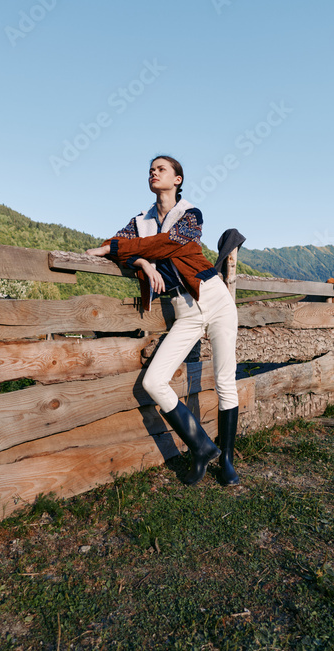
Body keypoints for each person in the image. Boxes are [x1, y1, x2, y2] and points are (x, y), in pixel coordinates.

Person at [86, 155, 240, 486]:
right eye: (151, 170)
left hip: (214, 298)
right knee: (154, 381)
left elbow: (168, 243)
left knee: (226, 380)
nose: (154, 173)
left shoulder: (191, 215)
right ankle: (201, 446)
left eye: (162, 169)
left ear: (178, 180)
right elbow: (112, 245)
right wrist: (143, 262)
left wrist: (123, 248)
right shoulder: (139, 221)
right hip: (184, 310)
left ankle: (226, 459)